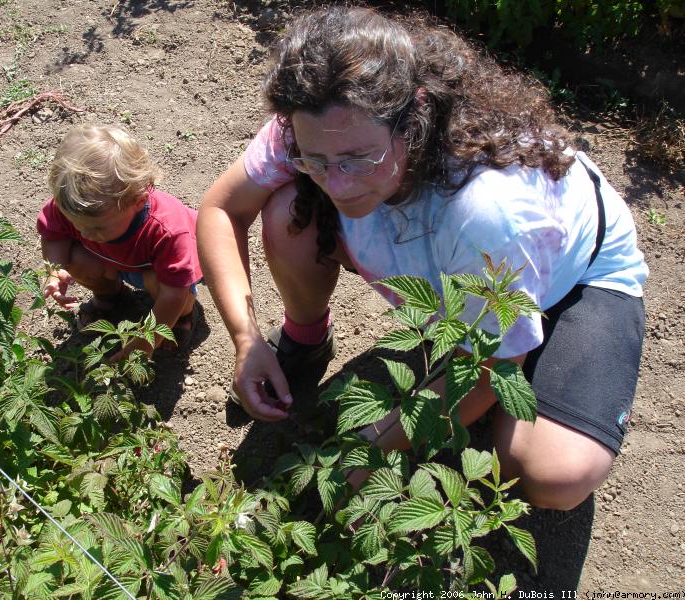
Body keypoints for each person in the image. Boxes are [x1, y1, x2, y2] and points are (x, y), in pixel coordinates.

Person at [197, 7, 647, 510]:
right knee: (289, 214)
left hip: (572, 280)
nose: (336, 183)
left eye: (357, 159)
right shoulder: (321, 123)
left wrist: (367, 450)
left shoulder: (488, 211)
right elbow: (221, 209)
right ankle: (304, 341)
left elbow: (494, 360)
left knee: (549, 476)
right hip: (470, 271)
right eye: (316, 161)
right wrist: (245, 337)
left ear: (414, 116)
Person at [38, 124, 202, 360]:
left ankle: (183, 318)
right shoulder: (74, 208)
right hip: (116, 260)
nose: (84, 233)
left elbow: (174, 293)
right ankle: (111, 297)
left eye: (97, 227)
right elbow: (54, 235)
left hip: (162, 272)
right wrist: (55, 270)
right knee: (73, 257)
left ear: (137, 201)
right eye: (77, 224)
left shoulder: (168, 231)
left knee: (165, 289)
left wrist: (144, 344)